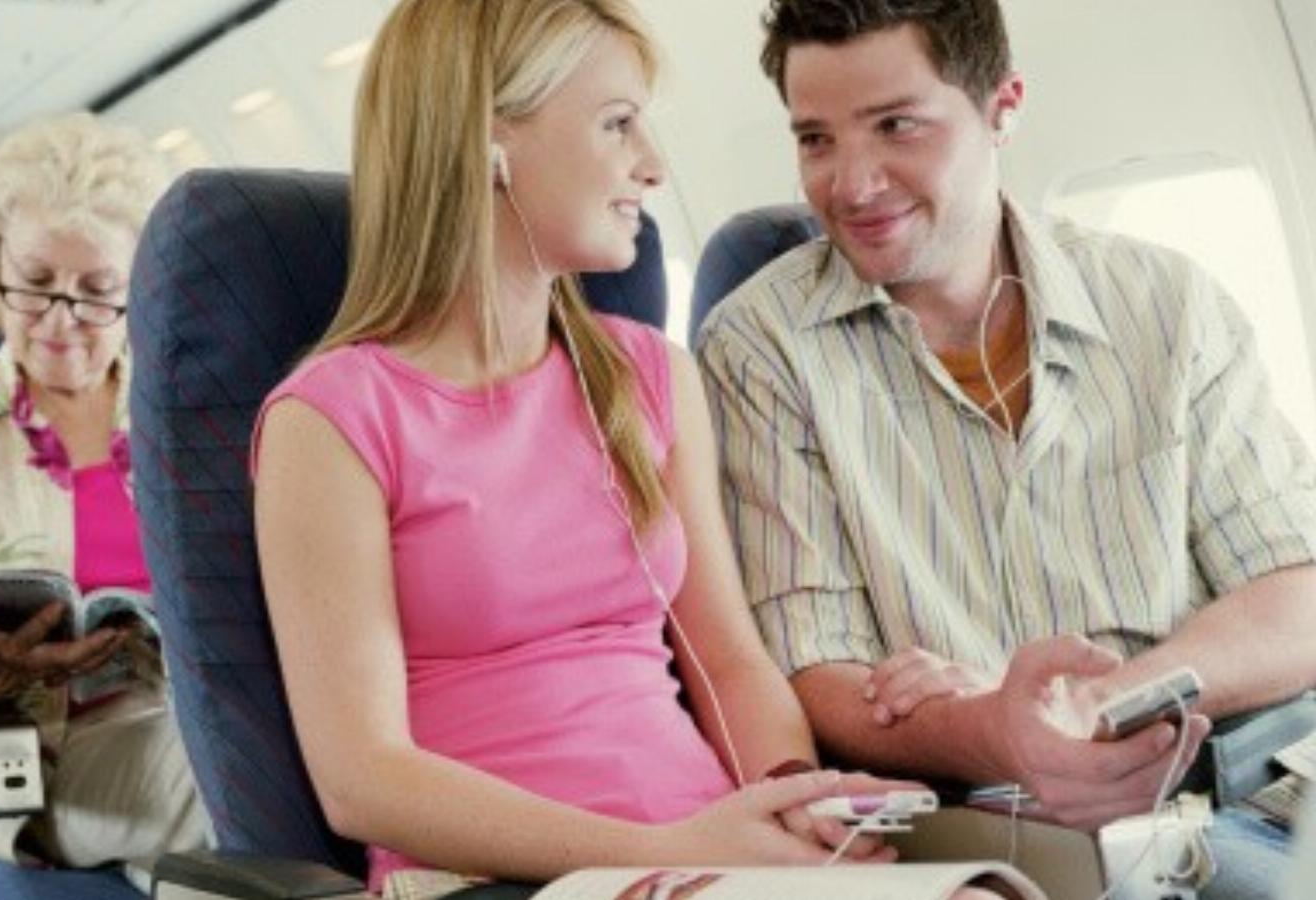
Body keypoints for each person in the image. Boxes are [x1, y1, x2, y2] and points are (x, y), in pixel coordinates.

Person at [253, 2, 1008, 899]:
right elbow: (362, 780)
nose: (651, 165)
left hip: (702, 854)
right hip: (500, 876)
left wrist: (789, 799)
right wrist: (660, 850)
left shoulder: (647, 375)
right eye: (617, 124)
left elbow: (728, 662)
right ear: (488, 143)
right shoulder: (331, 419)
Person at [694, 1, 1316, 897]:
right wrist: (996, 728)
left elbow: (1294, 591)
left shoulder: (1167, 305)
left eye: (896, 126)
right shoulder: (760, 349)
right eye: (816, 140)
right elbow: (816, 673)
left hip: (1238, 780)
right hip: (995, 823)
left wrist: (1096, 705)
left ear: (1002, 107)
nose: (852, 185)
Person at [0, 112, 208, 876]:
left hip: (205, 716)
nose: (61, 322)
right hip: (50, 754)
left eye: (97, 292)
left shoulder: (186, 414)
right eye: (34, 285)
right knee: (243, 780)